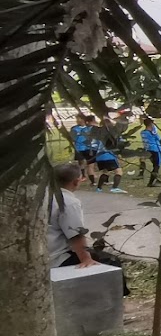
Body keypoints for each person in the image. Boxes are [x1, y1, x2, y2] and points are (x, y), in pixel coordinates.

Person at [47, 163, 129, 293]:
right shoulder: (68, 202)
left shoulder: (44, 196)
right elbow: (75, 234)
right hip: (57, 257)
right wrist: (86, 259)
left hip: (45, 252)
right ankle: (118, 300)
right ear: (76, 182)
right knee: (111, 261)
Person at [93, 125, 124, 192]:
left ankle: (99, 188)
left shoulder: (98, 136)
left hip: (99, 157)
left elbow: (94, 146)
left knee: (105, 172)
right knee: (118, 171)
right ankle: (115, 188)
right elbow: (119, 145)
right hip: (109, 156)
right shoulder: (114, 135)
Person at [70, 113, 98, 186]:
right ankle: (83, 175)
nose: (77, 120)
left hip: (88, 148)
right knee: (81, 162)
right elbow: (72, 138)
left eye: (79, 118)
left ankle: (92, 174)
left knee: (90, 163)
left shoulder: (89, 127)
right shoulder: (74, 128)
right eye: (77, 119)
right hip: (79, 148)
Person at [140, 116, 161, 186]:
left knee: (155, 166)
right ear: (151, 124)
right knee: (157, 166)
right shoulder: (152, 133)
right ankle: (151, 183)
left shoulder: (143, 132)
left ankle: (154, 180)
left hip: (148, 150)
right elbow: (158, 138)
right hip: (156, 150)